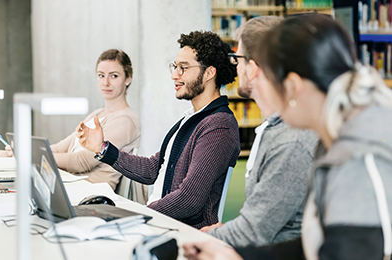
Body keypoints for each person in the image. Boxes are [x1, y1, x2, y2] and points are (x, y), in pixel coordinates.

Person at [184, 13, 392, 260]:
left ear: (292, 86)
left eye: (269, 80)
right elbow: (316, 244)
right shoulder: (335, 139)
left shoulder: (355, 159)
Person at [77, 30, 240, 229]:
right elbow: (153, 169)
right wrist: (102, 148)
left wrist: (138, 215)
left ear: (209, 73)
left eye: (183, 68)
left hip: (178, 231)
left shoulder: (218, 126)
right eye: (175, 67)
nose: (174, 75)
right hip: (160, 222)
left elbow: (189, 199)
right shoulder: (192, 119)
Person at [201, 16, 318, 248]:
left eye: (238, 57)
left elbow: (252, 234)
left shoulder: (291, 141)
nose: (235, 65)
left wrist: (194, 239)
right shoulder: (275, 128)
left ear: (252, 68)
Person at [0, 49, 141, 190]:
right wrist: (16, 152)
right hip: (70, 184)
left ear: (128, 79)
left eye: (114, 76)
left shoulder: (126, 120)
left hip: (90, 192)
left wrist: (27, 155)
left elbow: (81, 162)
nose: (106, 82)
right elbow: (61, 148)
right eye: (101, 75)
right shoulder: (97, 114)